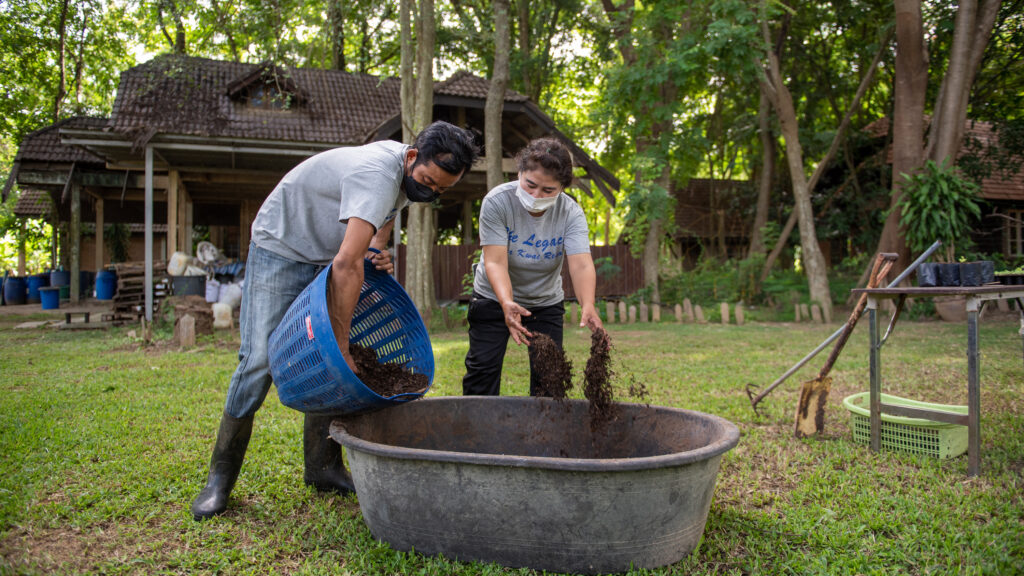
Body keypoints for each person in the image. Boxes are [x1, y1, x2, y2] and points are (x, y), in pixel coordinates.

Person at [191, 121, 479, 521]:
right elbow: (346, 265)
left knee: (324, 360)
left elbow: (387, 211)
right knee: (259, 361)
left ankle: (323, 468)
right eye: (428, 182)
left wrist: (377, 247)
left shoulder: (411, 173)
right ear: (412, 157)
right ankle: (219, 479)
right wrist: (341, 345)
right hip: (282, 245)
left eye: (441, 190)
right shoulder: (378, 172)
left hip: (324, 253)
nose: (430, 192)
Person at [462, 137, 603, 397]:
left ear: (562, 188)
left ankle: (544, 434)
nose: (536, 195)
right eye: (530, 185)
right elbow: (495, 261)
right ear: (520, 174)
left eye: (548, 190)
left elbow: (581, 264)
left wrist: (588, 304)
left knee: (549, 377)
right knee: (482, 370)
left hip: (544, 302)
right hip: (493, 297)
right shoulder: (497, 202)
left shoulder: (570, 213)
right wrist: (506, 302)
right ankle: (476, 432)